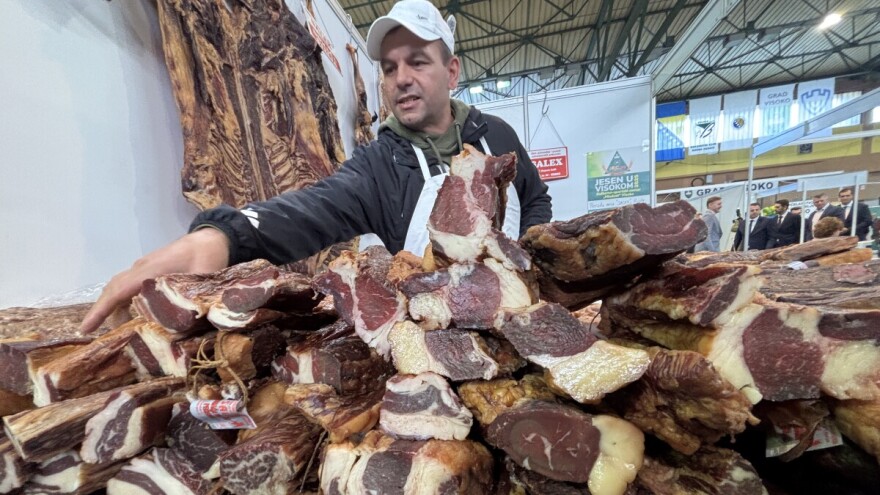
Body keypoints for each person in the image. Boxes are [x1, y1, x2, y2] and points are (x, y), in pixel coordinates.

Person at [81, 0, 552, 333]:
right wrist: (223, 237)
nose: (401, 79)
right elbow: (309, 211)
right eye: (389, 68)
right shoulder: (378, 165)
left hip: (520, 316)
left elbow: (535, 198)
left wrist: (529, 265)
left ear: (451, 72)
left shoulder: (498, 134)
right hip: (438, 341)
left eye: (417, 62)